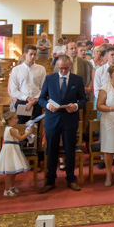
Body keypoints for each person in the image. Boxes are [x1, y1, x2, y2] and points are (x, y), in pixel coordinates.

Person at [37, 54, 87, 192]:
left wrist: (76, 106)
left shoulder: (77, 79)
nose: (63, 71)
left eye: (65, 68)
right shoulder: (50, 79)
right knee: (51, 150)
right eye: (60, 68)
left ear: (70, 66)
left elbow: (83, 99)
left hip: (69, 119)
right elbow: (41, 99)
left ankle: (71, 179)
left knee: (70, 150)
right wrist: (48, 105)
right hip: (53, 119)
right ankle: (50, 180)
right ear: (57, 67)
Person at [0, 111, 35, 197]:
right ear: (9, 120)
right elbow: (20, 138)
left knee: (12, 171)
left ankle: (11, 187)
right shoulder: (11, 129)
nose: (17, 120)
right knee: (9, 172)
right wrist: (29, 132)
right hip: (10, 150)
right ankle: (6, 190)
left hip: (14, 149)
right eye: (15, 118)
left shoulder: (12, 129)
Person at [8, 45, 45, 122]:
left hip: (36, 101)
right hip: (22, 101)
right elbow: (13, 90)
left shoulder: (41, 69)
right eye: (31, 54)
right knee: (21, 125)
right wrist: (27, 98)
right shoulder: (16, 70)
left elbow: (43, 88)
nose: (33, 56)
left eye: (35, 54)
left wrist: (35, 100)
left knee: (35, 125)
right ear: (25, 54)